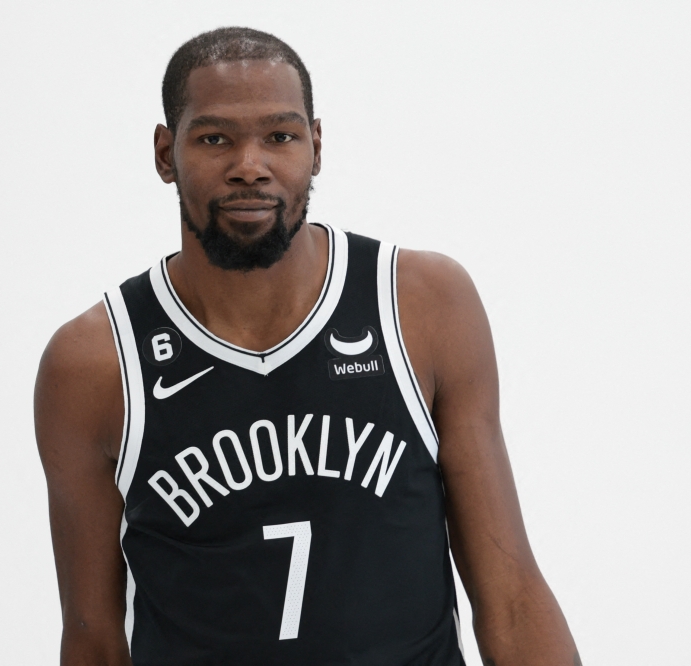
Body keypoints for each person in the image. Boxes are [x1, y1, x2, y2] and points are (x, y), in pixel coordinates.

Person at [35, 26, 579, 666]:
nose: (249, 165)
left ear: (316, 147)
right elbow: (93, 639)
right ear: (164, 153)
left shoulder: (422, 305)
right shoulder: (94, 365)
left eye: (280, 136)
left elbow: (510, 596)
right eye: (215, 138)